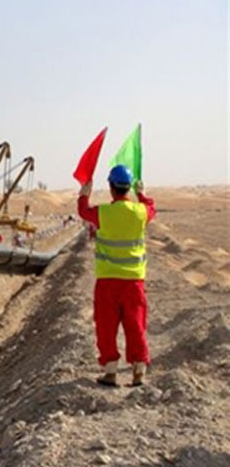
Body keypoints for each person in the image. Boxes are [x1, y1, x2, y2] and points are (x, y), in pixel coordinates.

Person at [77, 165, 156, 387]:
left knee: (106, 327)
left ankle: (110, 371)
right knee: (136, 326)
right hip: (134, 283)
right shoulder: (140, 212)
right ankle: (139, 371)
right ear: (128, 188)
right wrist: (142, 194)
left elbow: (83, 211)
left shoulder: (103, 213)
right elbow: (151, 208)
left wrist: (84, 193)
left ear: (111, 188)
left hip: (107, 282)